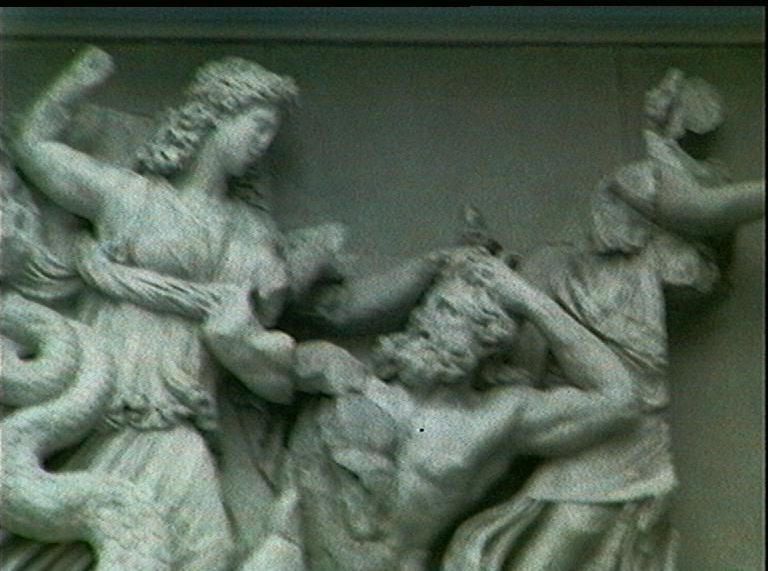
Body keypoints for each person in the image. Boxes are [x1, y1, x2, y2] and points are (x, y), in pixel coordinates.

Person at [1, 46, 446, 570]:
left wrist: (254, 329)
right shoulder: (130, 197)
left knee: (202, 550)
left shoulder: (252, 233)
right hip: (111, 400)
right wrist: (77, 82)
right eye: (258, 126)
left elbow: (265, 343)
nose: (263, 143)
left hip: (183, 411)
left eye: (271, 133)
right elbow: (33, 144)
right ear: (213, 116)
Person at [443, 69, 765, 570]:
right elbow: (700, 211)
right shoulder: (606, 217)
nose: (691, 264)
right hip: (591, 443)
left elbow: (702, 218)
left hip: (627, 448)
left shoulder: (637, 280)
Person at [203, 247, 646, 571]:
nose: (428, 322)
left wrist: (527, 299)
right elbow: (228, 335)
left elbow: (618, 399)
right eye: (430, 308)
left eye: (451, 313)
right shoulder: (338, 376)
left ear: (488, 341)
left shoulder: (495, 420)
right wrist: (286, 274)